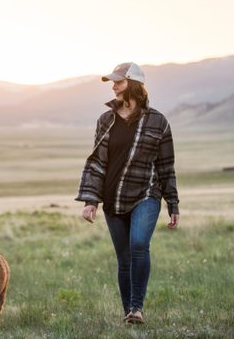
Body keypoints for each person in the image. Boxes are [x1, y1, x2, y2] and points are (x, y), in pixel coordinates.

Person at [75, 62, 179, 324]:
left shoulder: (158, 122)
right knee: (123, 259)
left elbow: (166, 166)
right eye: (113, 82)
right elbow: (97, 162)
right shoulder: (106, 120)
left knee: (139, 245)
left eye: (119, 82)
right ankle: (129, 315)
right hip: (113, 198)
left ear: (133, 83)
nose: (114, 86)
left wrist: (173, 203)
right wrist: (91, 201)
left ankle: (137, 307)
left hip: (146, 194)